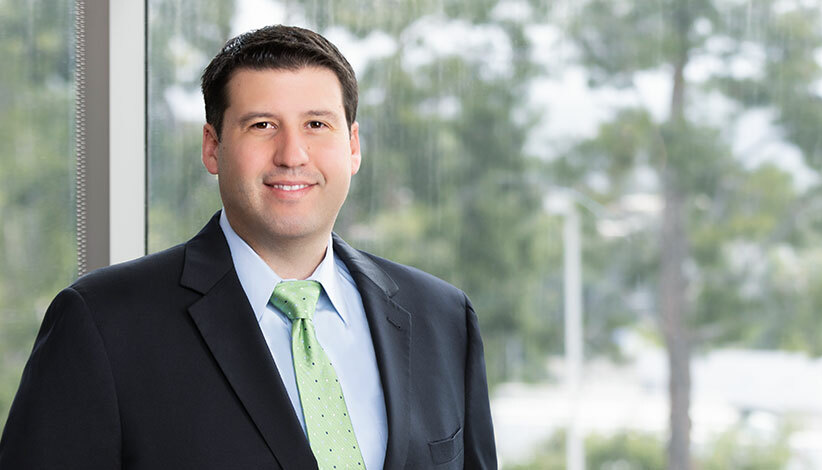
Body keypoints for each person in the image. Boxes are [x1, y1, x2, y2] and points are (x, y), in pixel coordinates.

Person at [0, 25, 497, 470]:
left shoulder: (442, 317)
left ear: (352, 146)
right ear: (212, 147)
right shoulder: (103, 324)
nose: (292, 155)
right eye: (262, 125)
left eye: (316, 124)